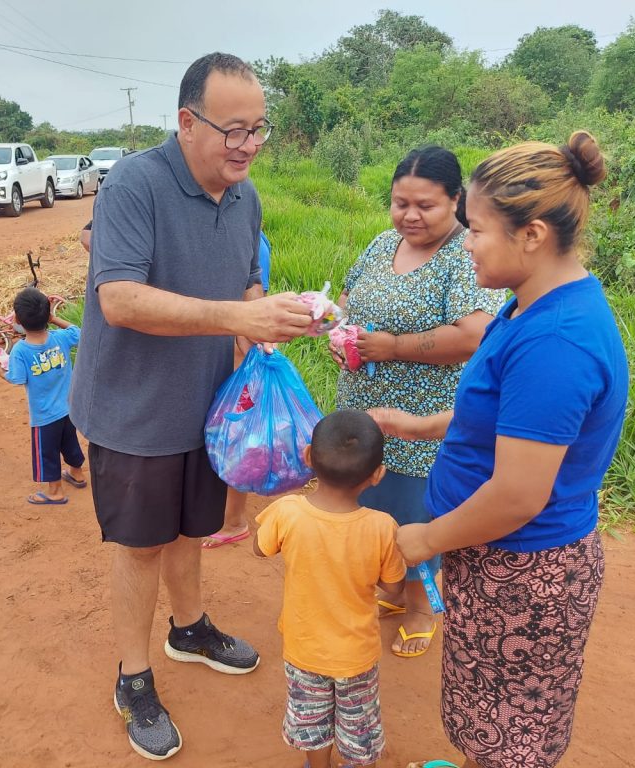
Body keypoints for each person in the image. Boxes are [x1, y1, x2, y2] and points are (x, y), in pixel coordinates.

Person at [69, 52, 313, 761]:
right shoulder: (134, 186)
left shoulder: (247, 198)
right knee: (142, 544)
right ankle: (133, 676)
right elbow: (118, 299)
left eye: (258, 130)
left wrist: (269, 316)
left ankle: (190, 627)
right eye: (232, 130)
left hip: (206, 409)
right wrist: (235, 318)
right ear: (186, 121)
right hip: (133, 411)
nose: (247, 146)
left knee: (190, 531)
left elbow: (243, 288)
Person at [375, 132, 628, 768]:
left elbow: (518, 494)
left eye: (477, 229)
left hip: (522, 570)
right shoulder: (531, 306)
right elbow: (505, 419)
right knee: (487, 707)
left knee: (514, 731)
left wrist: (425, 540)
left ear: (533, 234)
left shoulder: (557, 344)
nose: (466, 243)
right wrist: (426, 425)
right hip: (495, 559)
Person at [331, 147, 505, 658]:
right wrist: (336, 329)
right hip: (364, 413)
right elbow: (347, 299)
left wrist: (394, 347)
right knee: (372, 510)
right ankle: (390, 589)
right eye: (399, 202)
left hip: (421, 424)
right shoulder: (383, 243)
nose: (409, 215)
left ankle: (419, 606)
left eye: (425, 205)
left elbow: (475, 334)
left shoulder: (463, 256)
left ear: (456, 201)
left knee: (416, 516)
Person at [254, 410, 406, 768]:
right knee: (358, 724)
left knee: (312, 722)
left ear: (308, 456)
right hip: (356, 654)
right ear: (377, 475)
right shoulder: (383, 527)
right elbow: (395, 589)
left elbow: (260, 548)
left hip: (304, 647)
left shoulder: (287, 512)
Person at [202, 229, 272, 549]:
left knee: (236, 438)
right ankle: (227, 516)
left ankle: (234, 521)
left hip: (238, 363)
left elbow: (252, 313)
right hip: (229, 359)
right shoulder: (241, 238)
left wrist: (247, 356)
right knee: (227, 437)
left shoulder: (250, 242)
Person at [0, 287, 86, 505]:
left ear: (16, 319)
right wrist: (55, 318)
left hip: (44, 416)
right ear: (48, 316)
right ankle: (77, 473)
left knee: (47, 452)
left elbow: (16, 378)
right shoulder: (60, 338)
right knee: (69, 441)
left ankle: (55, 492)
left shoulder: (20, 350)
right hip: (68, 408)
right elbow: (78, 332)